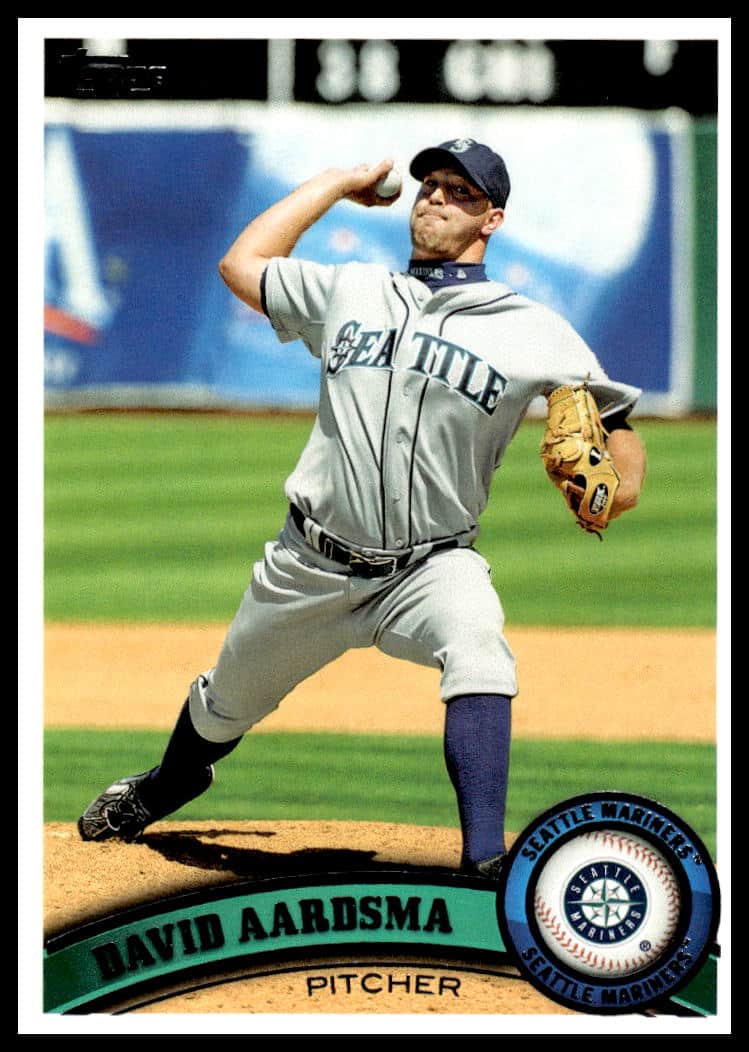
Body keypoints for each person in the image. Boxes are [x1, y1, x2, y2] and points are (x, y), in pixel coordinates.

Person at [78, 139, 647, 878]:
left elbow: (617, 421)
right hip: (309, 564)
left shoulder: (533, 328)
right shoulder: (350, 290)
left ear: (492, 219)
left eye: (461, 192)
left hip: (431, 567)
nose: (436, 198)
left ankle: (484, 864)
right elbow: (241, 264)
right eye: (431, 184)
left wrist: (622, 487)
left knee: (478, 648)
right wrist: (336, 182)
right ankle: (169, 782)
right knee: (224, 706)